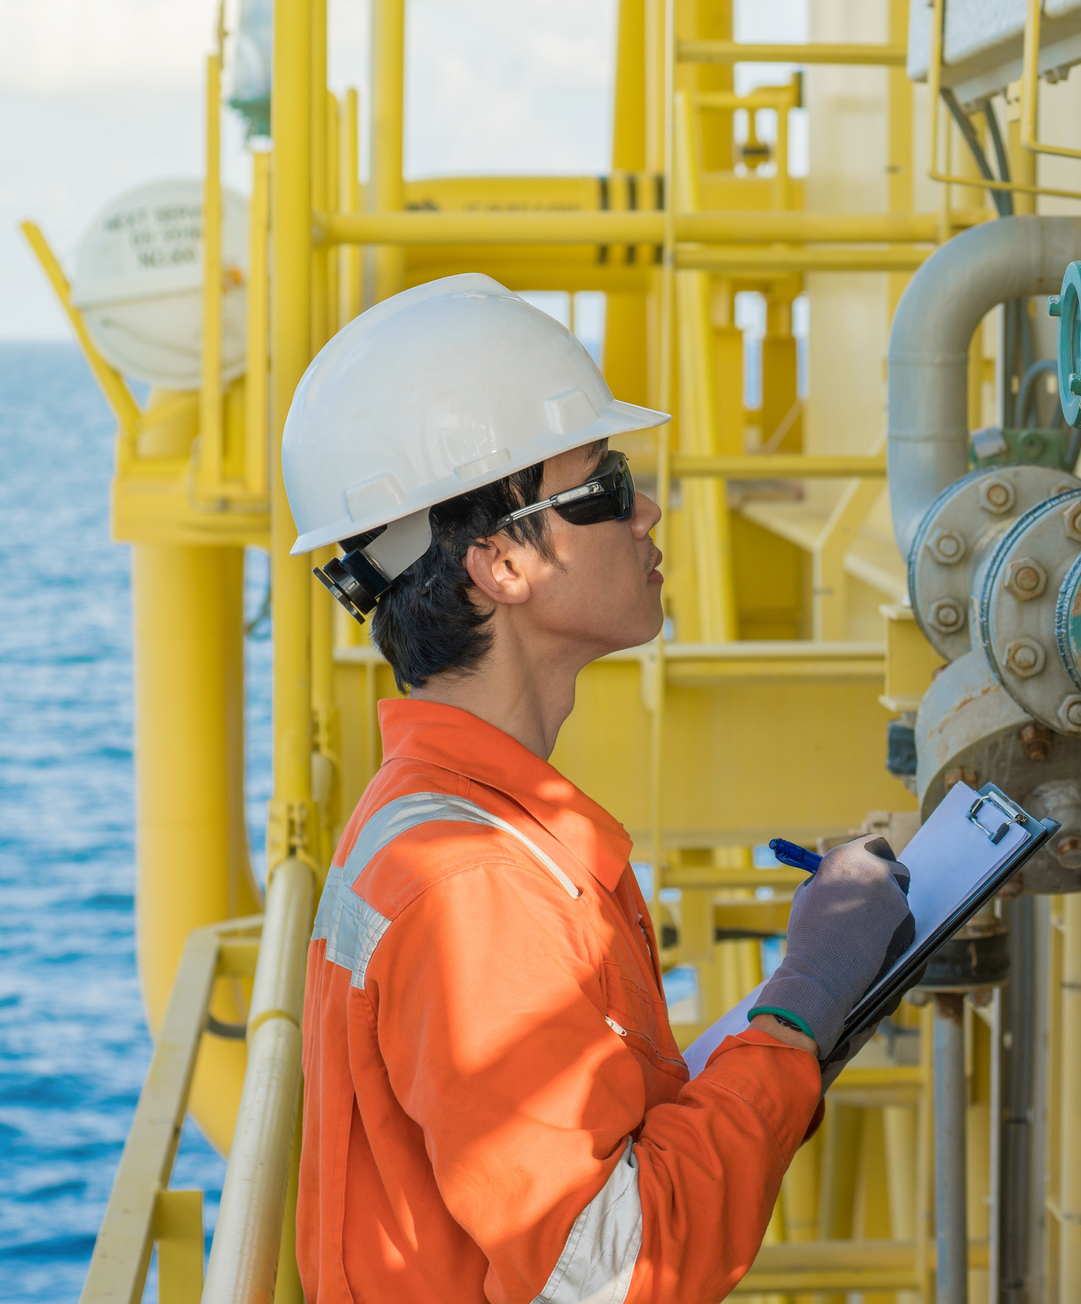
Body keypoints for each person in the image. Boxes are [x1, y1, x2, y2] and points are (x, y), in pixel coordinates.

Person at [279, 275, 912, 1304]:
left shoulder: (458, 827)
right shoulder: (472, 886)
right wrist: (801, 1005)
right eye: (606, 485)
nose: (646, 506)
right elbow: (613, 1268)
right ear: (501, 565)